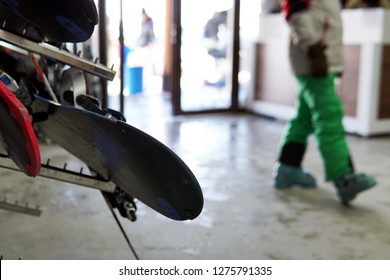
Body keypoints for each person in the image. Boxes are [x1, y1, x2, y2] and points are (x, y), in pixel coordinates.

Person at [273, 0, 377, 205]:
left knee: (304, 117)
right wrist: (314, 49)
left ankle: (288, 168)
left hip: (319, 59)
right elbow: (296, 12)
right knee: (329, 116)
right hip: (314, 60)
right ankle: (344, 178)